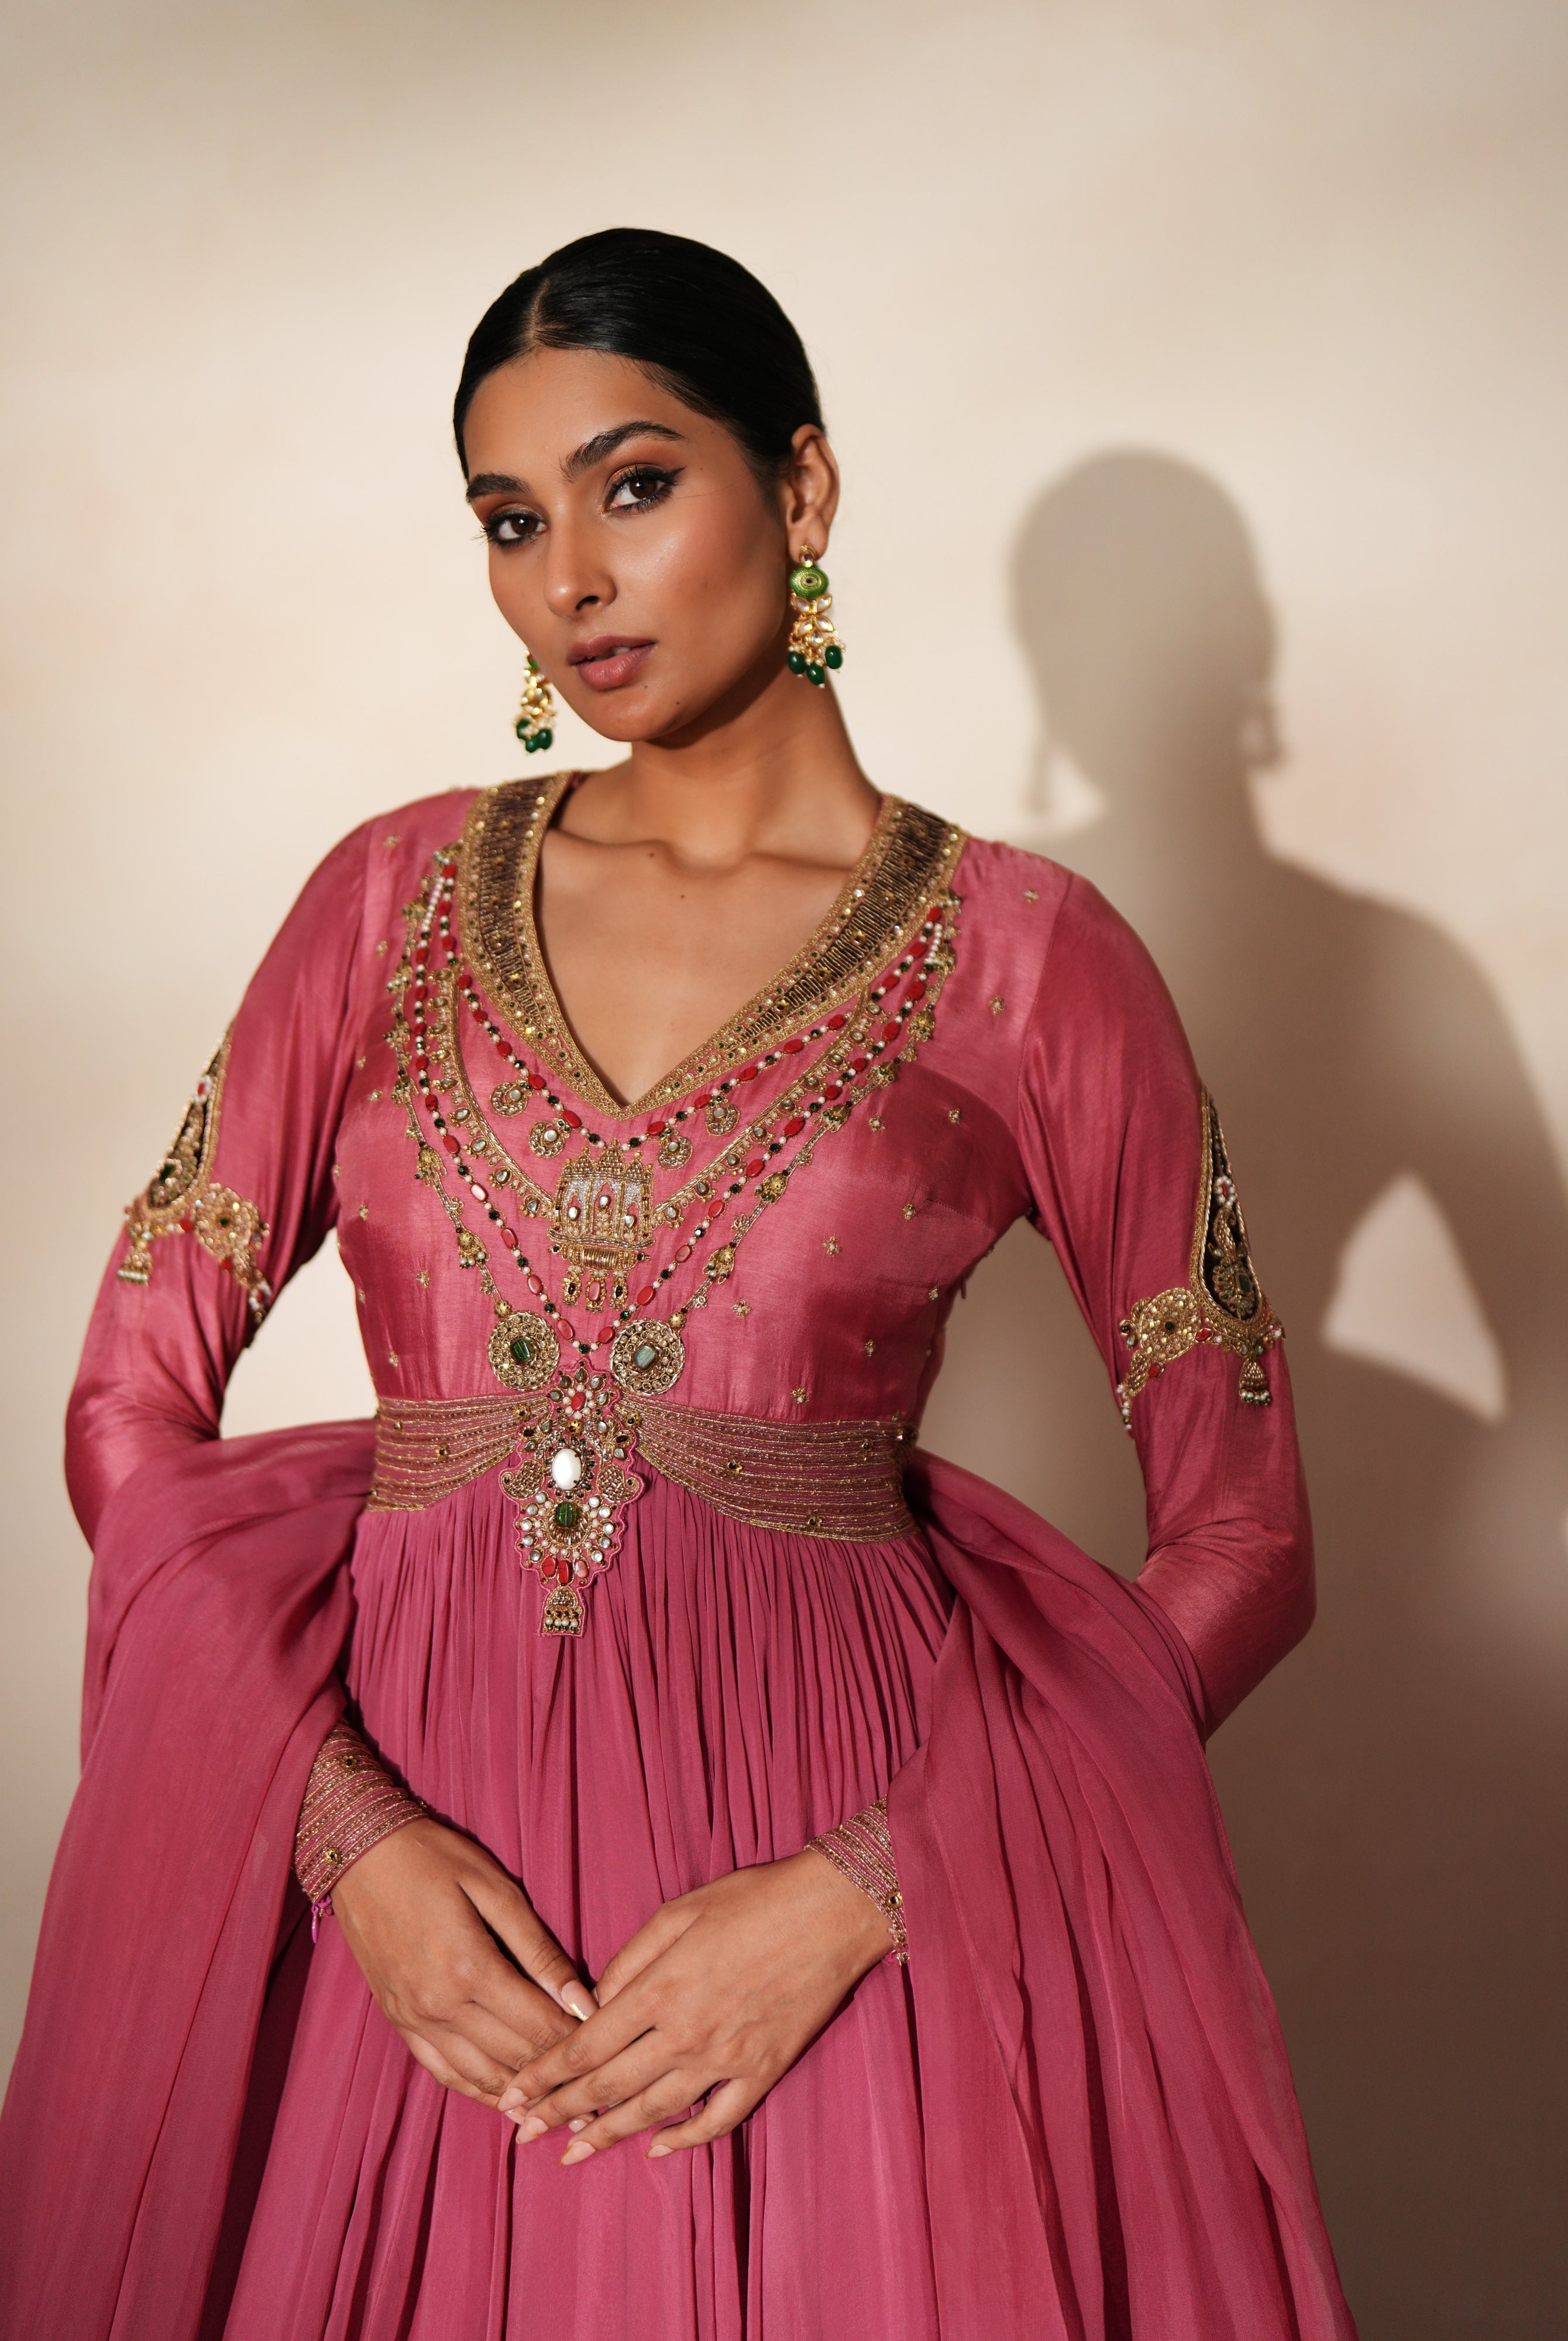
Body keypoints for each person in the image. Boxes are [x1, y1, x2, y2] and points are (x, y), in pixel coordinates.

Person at [0, 229, 1358, 2341]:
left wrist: (869, 1892)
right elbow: (125, 1415)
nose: (573, 580)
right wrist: (342, 1837)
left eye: (636, 486)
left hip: (819, 1958)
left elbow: (1247, 1539)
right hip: (419, 1946)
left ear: (799, 492)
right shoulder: (384, 902)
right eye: (511, 521)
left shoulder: (1031, 960)